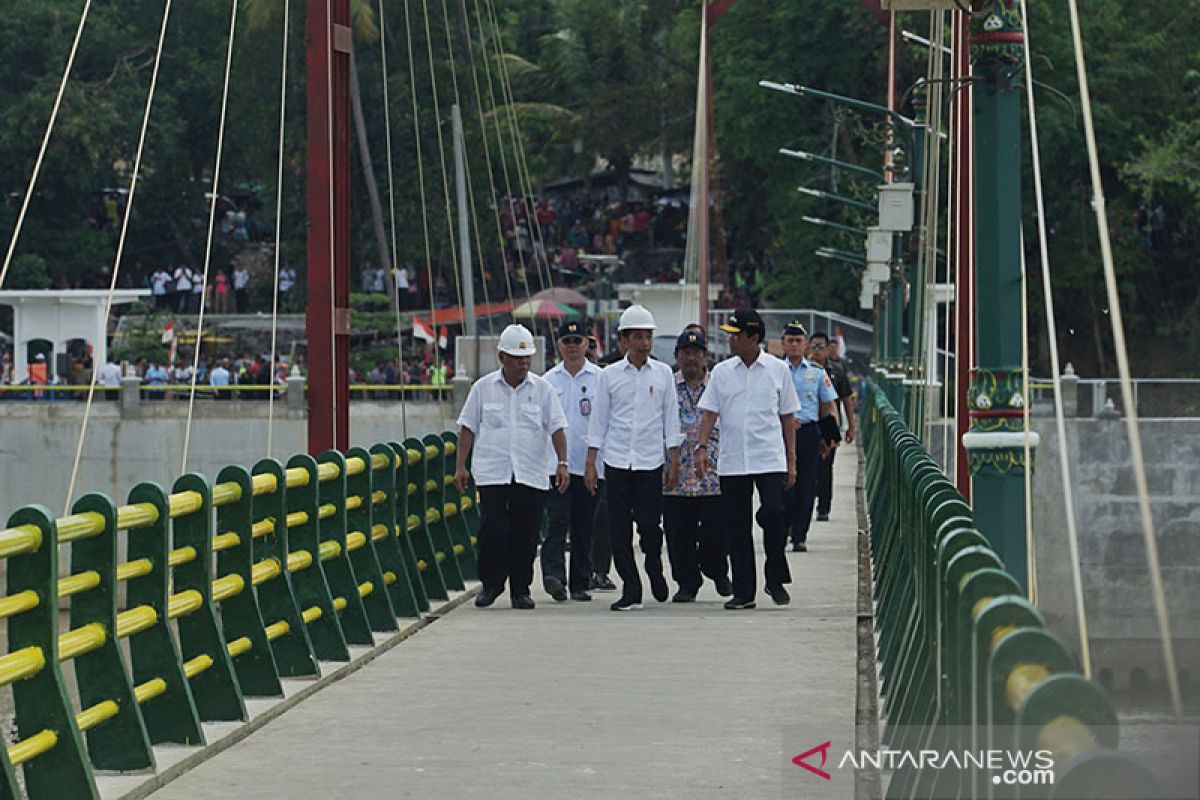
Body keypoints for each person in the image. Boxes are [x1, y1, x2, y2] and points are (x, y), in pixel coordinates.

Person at [454, 324, 569, 610]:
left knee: (526, 534)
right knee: (493, 529)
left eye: (528, 358)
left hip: (530, 473)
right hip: (492, 472)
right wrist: (460, 466)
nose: (524, 364)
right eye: (518, 359)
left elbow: (557, 428)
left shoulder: (543, 390)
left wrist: (563, 463)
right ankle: (491, 584)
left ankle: (521, 589)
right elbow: (467, 428)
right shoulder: (482, 388)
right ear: (502, 357)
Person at [695, 308, 799, 609]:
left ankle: (775, 577)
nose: (731, 341)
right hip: (733, 460)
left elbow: (788, 416)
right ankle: (744, 592)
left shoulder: (777, 370)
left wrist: (792, 460)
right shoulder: (722, 372)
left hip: (769, 456)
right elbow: (709, 412)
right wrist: (701, 447)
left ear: (754, 338)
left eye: (737, 336)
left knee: (776, 515)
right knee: (736, 527)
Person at [584, 304, 681, 611]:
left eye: (647, 336)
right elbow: (598, 421)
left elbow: (671, 419)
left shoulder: (664, 374)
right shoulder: (608, 376)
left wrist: (674, 459)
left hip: (650, 461)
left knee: (651, 526)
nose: (644, 343)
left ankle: (654, 565)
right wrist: (590, 463)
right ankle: (631, 587)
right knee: (618, 528)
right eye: (637, 337)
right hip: (616, 461)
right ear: (624, 341)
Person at [663, 328, 731, 602]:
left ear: (705, 356)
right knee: (679, 535)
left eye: (696, 353)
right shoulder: (667, 386)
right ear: (677, 356)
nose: (691, 358)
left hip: (712, 473)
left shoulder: (719, 385)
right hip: (676, 475)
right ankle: (687, 583)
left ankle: (717, 570)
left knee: (716, 533)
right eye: (685, 353)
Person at [540, 320, 603, 602]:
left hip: (590, 465)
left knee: (584, 526)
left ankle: (580, 582)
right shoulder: (548, 381)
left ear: (588, 344)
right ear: (559, 345)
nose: (573, 347)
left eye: (578, 341)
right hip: (557, 466)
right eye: (568, 341)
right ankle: (554, 576)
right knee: (557, 522)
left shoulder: (601, 379)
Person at [780, 322, 838, 551]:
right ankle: (785, 527)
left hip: (808, 432)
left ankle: (799, 535)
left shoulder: (817, 372)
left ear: (805, 345)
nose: (794, 345)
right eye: (790, 340)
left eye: (798, 341)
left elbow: (827, 405)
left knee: (807, 485)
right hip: (781, 433)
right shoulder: (775, 370)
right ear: (783, 343)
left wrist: (829, 437)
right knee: (784, 486)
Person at [808, 332, 855, 521]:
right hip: (810, 423)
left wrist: (851, 427)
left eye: (821, 347)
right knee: (808, 467)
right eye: (814, 346)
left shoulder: (836, 371)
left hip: (830, 423)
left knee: (826, 466)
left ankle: (823, 507)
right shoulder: (804, 370)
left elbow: (846, 400)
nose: (817, 350)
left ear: (828, 349)